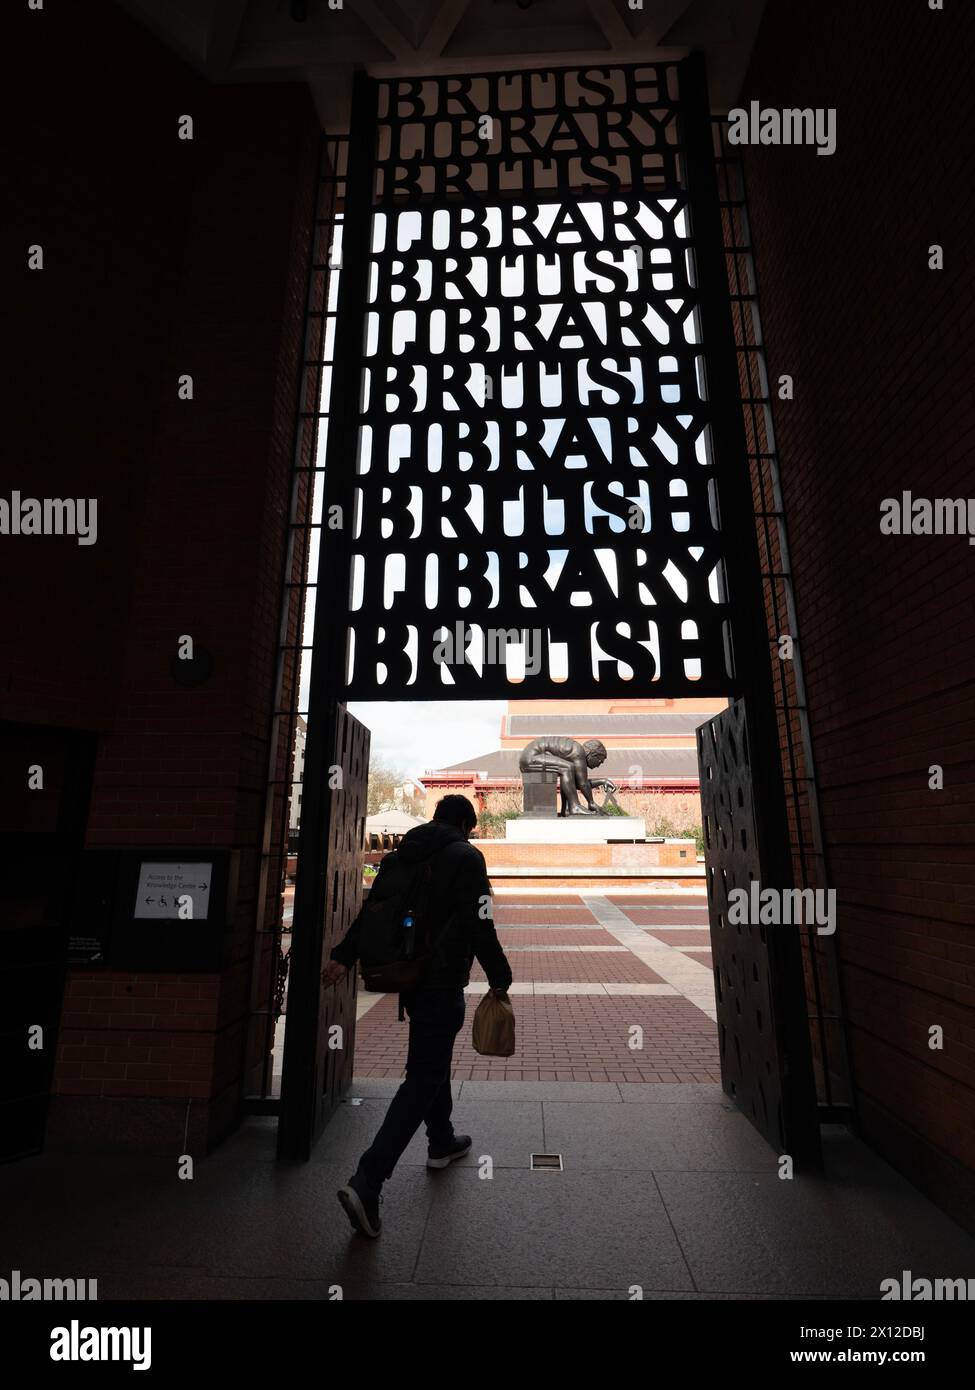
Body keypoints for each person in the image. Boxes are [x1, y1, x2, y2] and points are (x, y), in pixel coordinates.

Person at [324, 794, 512, 1238]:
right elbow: (478, 920)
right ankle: (369, 1179)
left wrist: (343, 956)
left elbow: (370, 914)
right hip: (441, 978)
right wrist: (499, 974)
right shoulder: (465, 856)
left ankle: (440, 1140)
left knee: (432, 1060)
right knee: (423, 1076)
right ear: (466, 824)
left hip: (408, 975)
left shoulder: (401, 855)